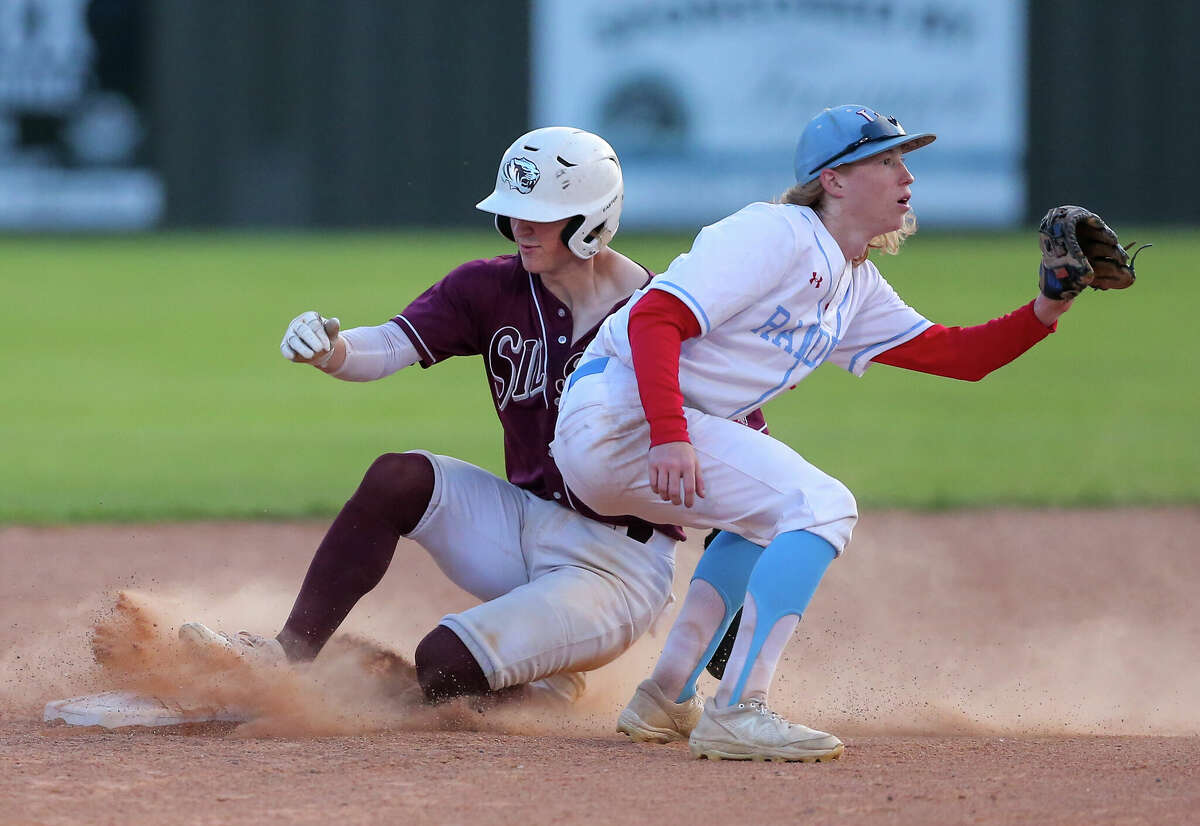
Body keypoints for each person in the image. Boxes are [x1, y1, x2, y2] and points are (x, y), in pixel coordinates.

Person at [552, 104, 1085, 760]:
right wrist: (668, 433)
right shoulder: (774, 234)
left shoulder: (855, 281)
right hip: (617, 413)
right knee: (822, 504)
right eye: (886, 159)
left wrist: (1050, 304)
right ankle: (739, 709)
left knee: (763, 518)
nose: (906, 174)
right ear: (833, 180)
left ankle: (666, 696)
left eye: (904, 159)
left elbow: (958, 356)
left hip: (635, 427)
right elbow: (655, 317)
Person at [180, 126, 763, 706]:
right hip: (524, 522)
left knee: (442, 664)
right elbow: (385, 347)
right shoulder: (489, 287)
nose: (520, 228)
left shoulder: (665, 317)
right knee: (398, 477)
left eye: (542, 213)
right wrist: (330, 351)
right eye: (512, 212)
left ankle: (541, 688)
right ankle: (285, 660)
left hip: (619, 567)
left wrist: (725, 604)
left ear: (592, 221)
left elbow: (753, 467)